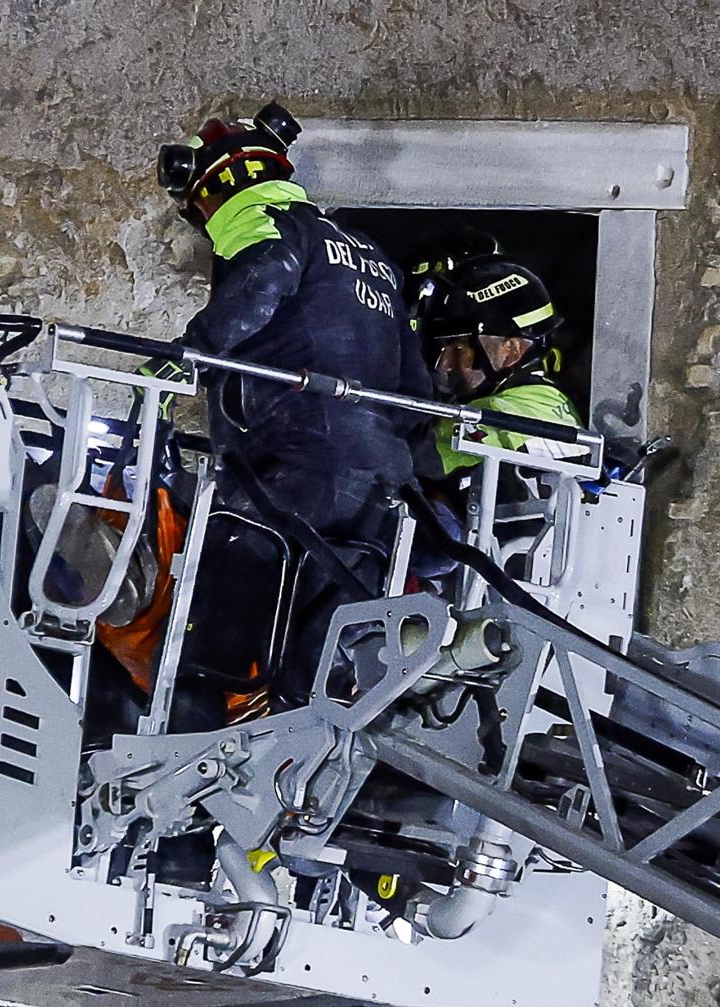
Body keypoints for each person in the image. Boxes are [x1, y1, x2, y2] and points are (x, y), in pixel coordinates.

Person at [154, 100, 426, 715]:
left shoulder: (261, 218)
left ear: (212, 191)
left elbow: (261, 283)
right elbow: (417, 389)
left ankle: (182, 742)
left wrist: (179, 361)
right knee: (314, 654)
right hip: (380, 482)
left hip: (294, 465)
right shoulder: (373, 261)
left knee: (212, 623)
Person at [415, 250, 587, 475]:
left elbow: (412, 464)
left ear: (511, 350)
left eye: (458, 348)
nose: (444, 364)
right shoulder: (550, 402)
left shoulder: (492, 412)